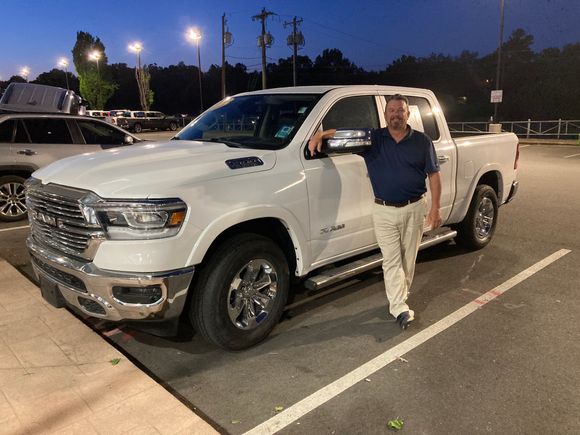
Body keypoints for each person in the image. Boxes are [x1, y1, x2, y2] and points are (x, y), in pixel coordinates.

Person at [308, 94, 442, 330]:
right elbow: (341, 134)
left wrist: (435, 208)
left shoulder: (422, 141)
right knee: (391, 260)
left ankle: (400, 296)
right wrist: (320, 134)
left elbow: (434, 175)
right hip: (384, 211)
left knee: (407, 259)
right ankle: (399, 307)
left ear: (407, 114)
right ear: (385, 114)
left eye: (400, 110)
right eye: (391, 110)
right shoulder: (372, 138)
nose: (395, 115)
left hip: (414, 207)